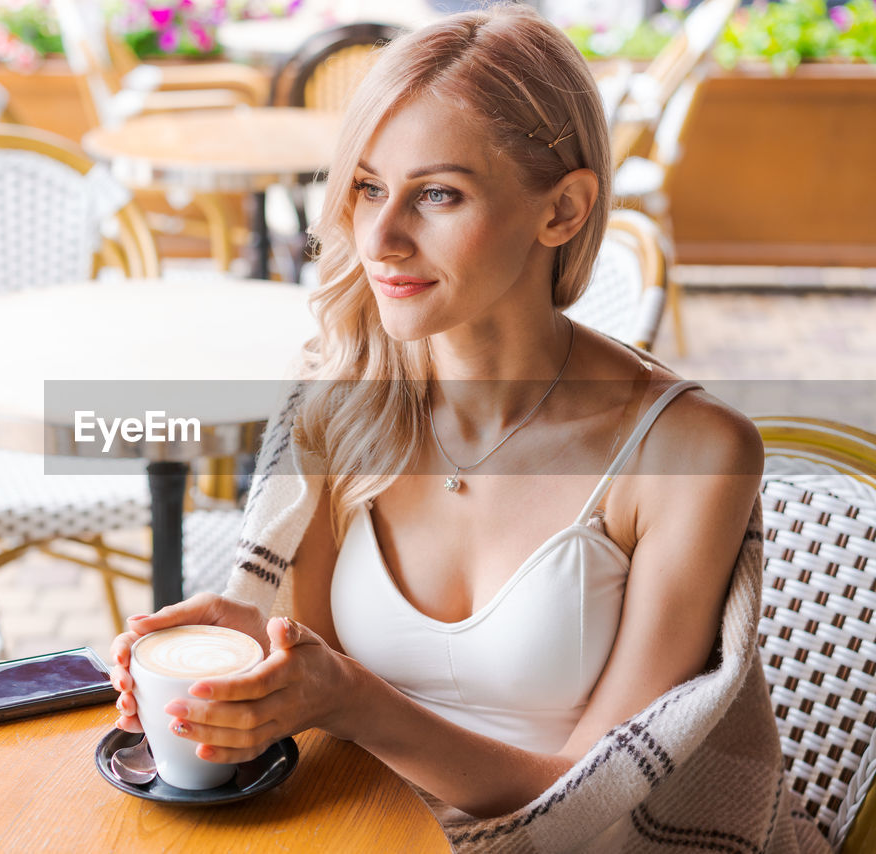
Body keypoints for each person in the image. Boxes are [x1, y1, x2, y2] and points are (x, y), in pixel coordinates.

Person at [108, 6, 824, 848]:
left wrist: (348, 697)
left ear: (563, 211)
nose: (379, 237)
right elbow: (323, 691)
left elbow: (594, 796)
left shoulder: (688, 455)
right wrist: (261, 666)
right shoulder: (338, 404)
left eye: (437, 194)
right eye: (368, 187)